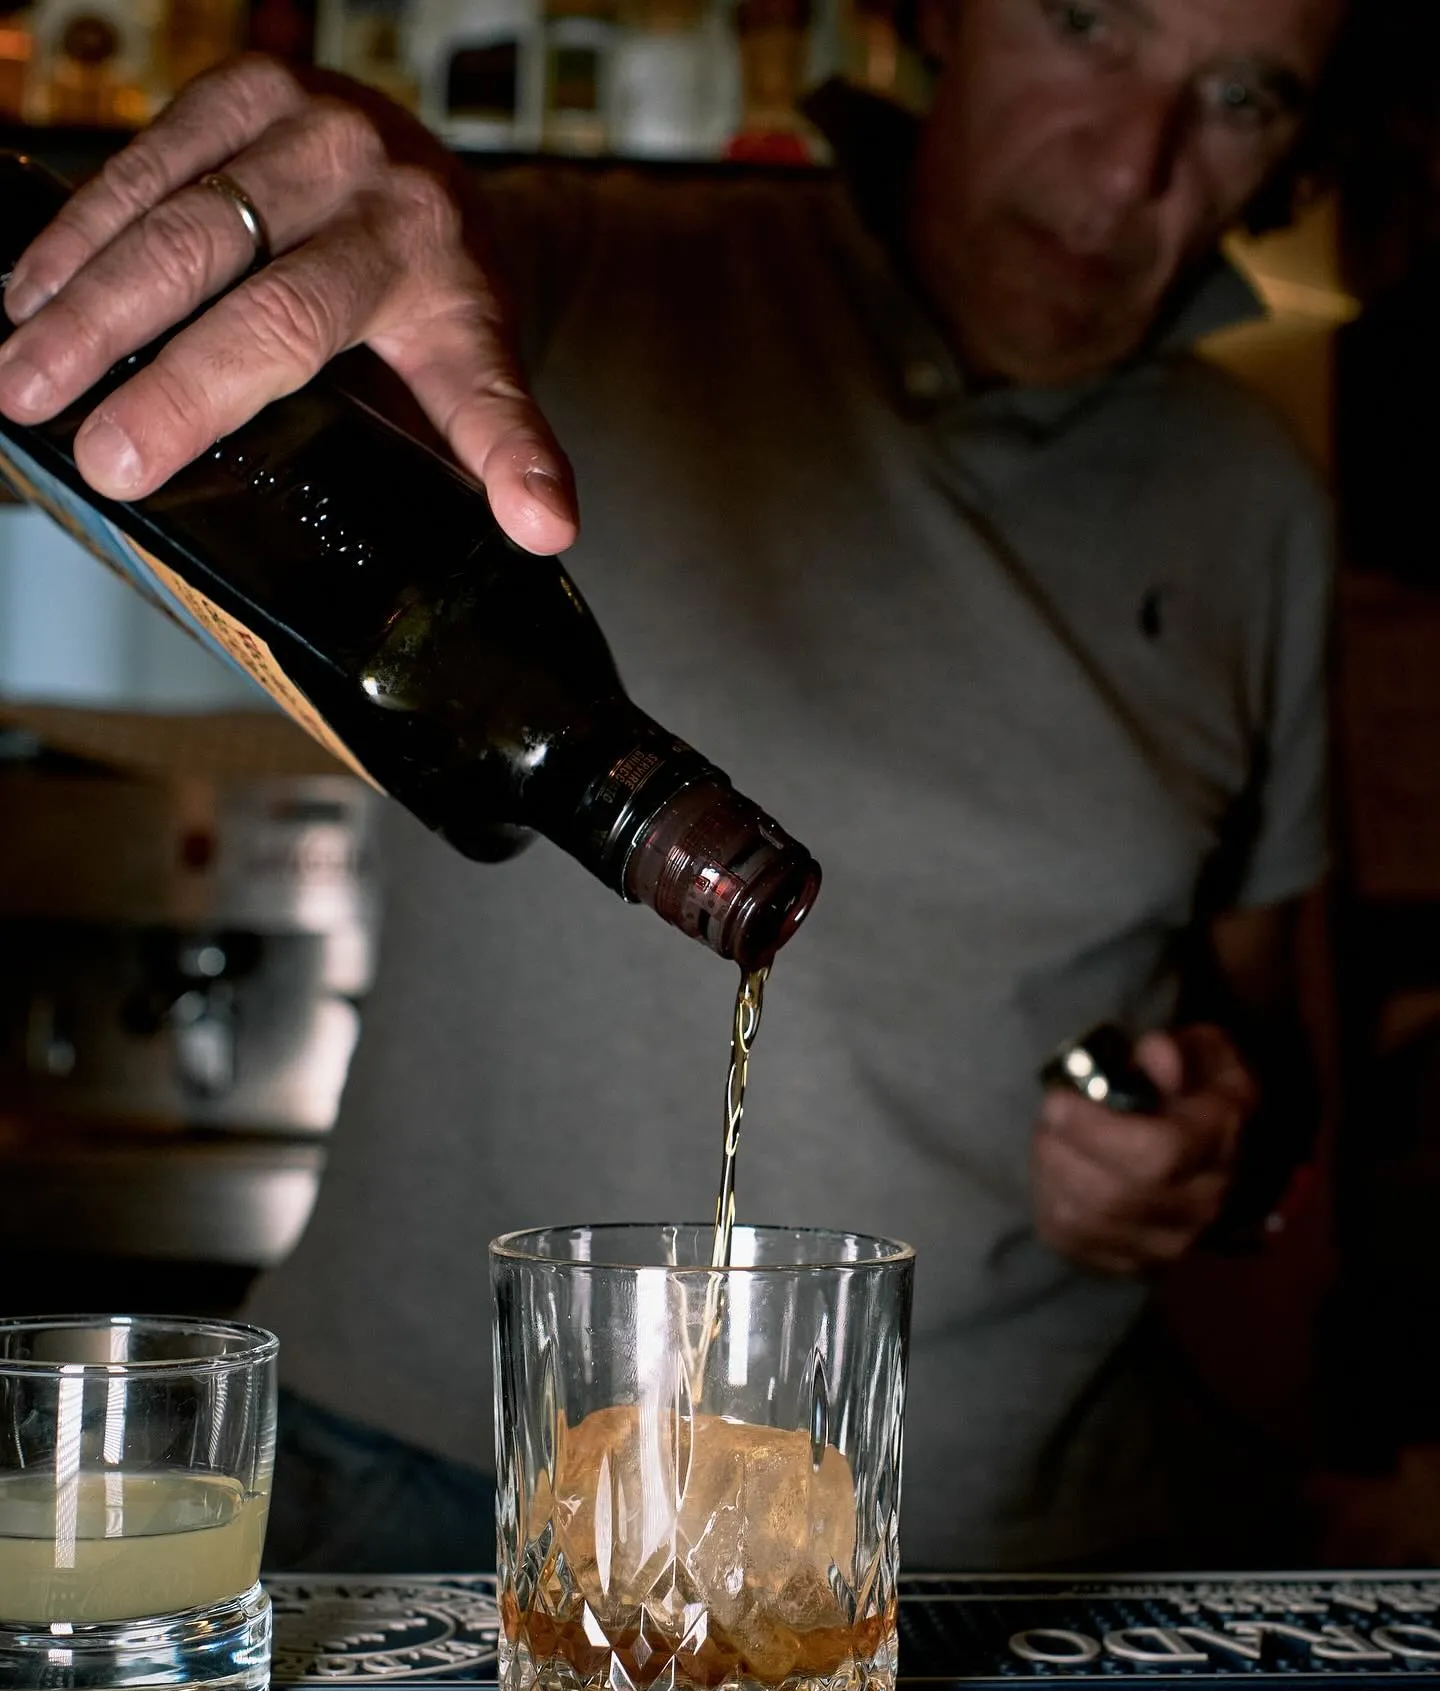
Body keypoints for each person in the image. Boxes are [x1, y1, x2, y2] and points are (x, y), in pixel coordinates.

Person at [0, 0, 1344, 1570]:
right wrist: (324, 180)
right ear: (944, 18)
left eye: (1242, 96)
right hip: (426, 1482)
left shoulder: (1256, 499)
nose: (1130, 169)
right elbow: (401, 242)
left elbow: (1272, 1040)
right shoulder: (596, 275)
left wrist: (1200, 1147)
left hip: (976, 1542)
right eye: (1087, 23)